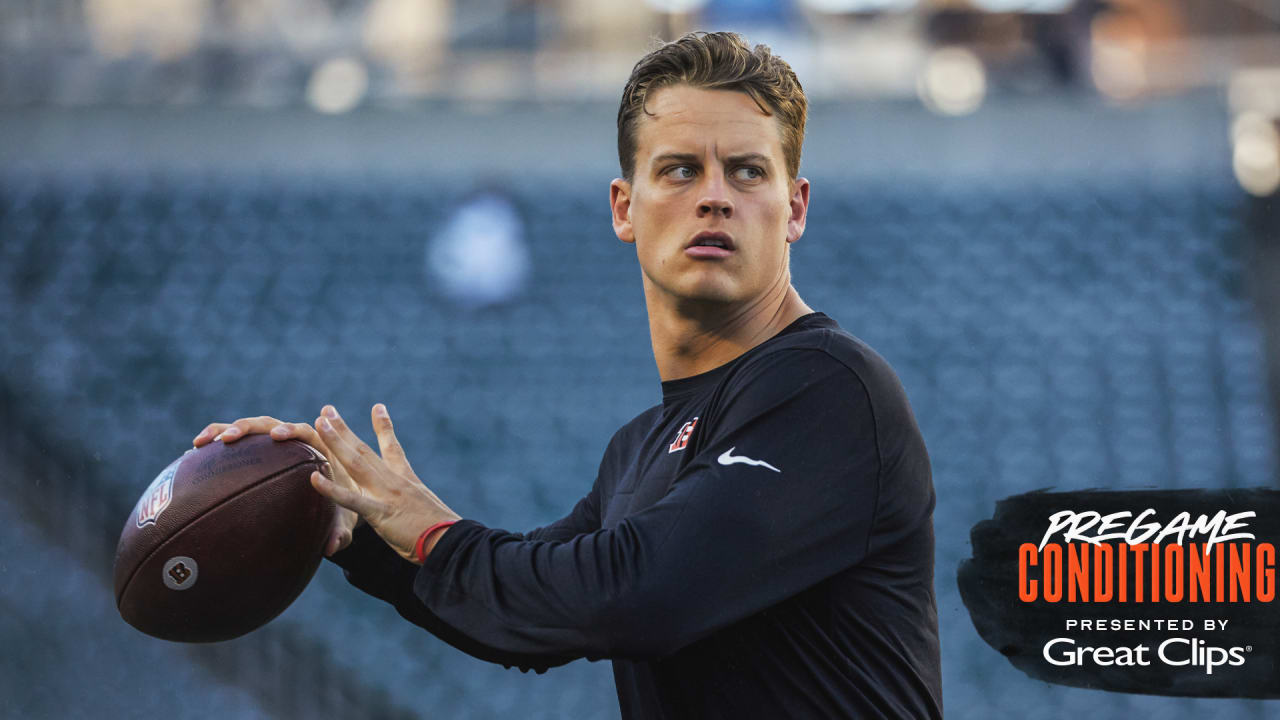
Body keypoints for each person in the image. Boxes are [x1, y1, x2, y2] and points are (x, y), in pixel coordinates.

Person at [193, 31, 942, 720]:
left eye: (748, 172)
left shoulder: (830, 387)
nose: (715, 195)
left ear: (795, 209)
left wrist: (433, 534)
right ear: (624, 208)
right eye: (680, 170)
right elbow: (531, 611)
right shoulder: (639, 448)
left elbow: (642, 594)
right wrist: (355, 525)